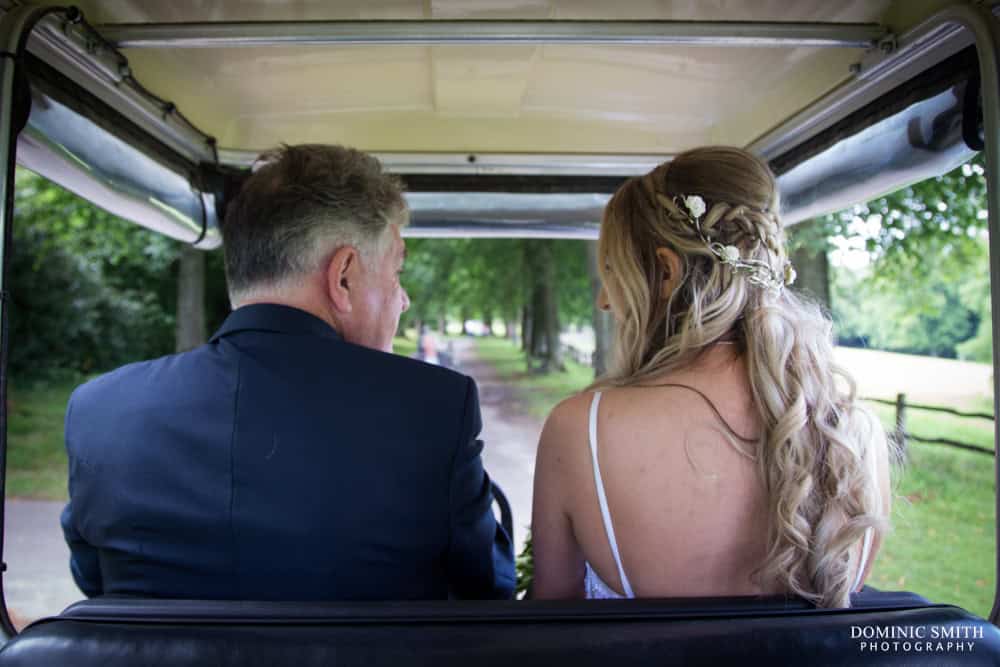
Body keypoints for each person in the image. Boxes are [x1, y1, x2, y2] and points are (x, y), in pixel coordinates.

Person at [60, 144, 514, 601]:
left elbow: (97, 588)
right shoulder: (432, 409)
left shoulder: (99, 409)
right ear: (343, 277)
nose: (404, 300)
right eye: (396, 273)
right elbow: (485, 592)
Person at [531, 146, 891, 607]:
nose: (605, 300)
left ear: (665, 271)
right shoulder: (856, 433)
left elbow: (550, 623)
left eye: (612, 272)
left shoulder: (582, 429)